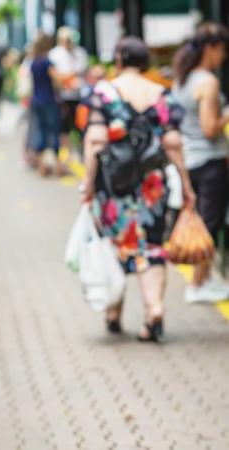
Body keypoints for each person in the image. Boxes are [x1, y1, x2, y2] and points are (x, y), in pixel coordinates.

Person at [80, 37, 196, 342]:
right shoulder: (160, 94)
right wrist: (186, 186)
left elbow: (95, 141)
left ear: (119, 58)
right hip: (152, 186)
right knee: (151, 247)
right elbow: (173, 144)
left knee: (115, 245)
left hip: (112, 187)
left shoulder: (104, 93)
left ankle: (113, 312)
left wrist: (88, 185)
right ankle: (153, 309)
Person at [172, 23, 229, 304]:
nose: (224, 56)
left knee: (202, 220)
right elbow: (210, 128)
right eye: (222, 50)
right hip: (210, 161)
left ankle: (202, 279)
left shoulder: (182, 78)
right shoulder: (208, 82)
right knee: (210, 223)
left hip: (190, 159)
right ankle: (197, 284)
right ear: (211, 48)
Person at [30, 32, 65, 176]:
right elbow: (57, 79)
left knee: (40, 131)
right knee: (53, 131)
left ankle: (42, 165)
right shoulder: (46, 62)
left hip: (36, 100)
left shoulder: (34, 62)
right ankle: (57, 166)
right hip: (49, 100)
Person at [49, 27, 88, 151]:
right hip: (62, 96)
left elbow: (83, 71)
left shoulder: (80, 53)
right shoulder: (55, 54)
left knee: (80, 125)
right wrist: (67, 77)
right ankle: (65, 153)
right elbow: (56, 77)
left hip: (79, 94)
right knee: (63, 127)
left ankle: (79, 150)